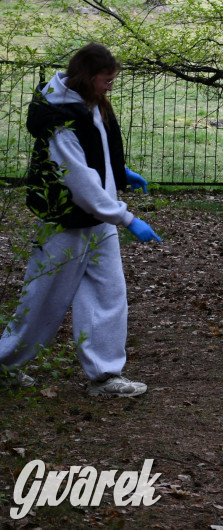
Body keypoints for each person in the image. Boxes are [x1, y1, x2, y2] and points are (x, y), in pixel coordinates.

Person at [0, 42, 161, 397]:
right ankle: (3, 364)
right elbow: (79, 182)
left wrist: (118, 171)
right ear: (87, 78)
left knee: (109, 294)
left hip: (97, 224)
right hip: (67, 224)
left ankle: (105, 377)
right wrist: (127, 218)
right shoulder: (59, 120)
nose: (110, 86)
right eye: (106, 80)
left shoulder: (88, 103)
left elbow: (95, 151)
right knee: (42, 300)